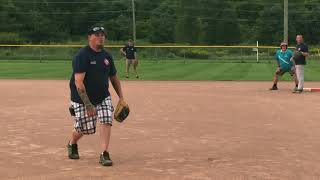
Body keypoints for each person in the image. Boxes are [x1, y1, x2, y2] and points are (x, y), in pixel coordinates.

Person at [67, 26, 125, 166]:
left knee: (106, 119)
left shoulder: (106, 56)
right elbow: (78, 82)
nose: (101, 37)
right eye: (97, 34)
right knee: (85, 129)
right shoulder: (82, 56)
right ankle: (72, 142)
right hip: (82, 98)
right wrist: (88, 105)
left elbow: (114, 78)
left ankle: (104, 153)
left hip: (103, 96)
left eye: (103, 35)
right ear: (89, 37)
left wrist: (121, 97)